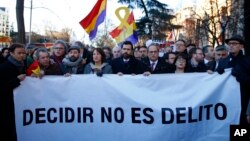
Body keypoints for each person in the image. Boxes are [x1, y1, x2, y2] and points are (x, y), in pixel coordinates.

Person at [0, 43, 27, 141]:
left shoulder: (23, 65)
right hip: (6, 107)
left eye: (23, 53)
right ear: (11, 53)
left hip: (19, 104)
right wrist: (16, 80)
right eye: (19, 53)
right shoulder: (3, 67)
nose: (22, 55)